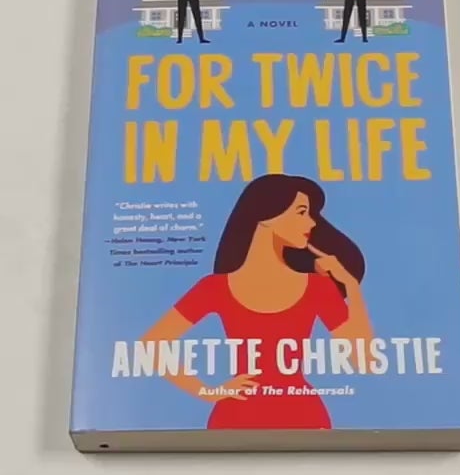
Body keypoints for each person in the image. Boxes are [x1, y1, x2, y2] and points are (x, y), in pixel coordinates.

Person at [137, 174, 374, 430]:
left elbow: (365, 360)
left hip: (303, 416)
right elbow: (151, 345)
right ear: (266, 217)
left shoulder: (318, 287)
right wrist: (207, 392)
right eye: (301, 212)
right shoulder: (214, 288)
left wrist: (350, 285)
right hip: (235, 418)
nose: (311, 222)